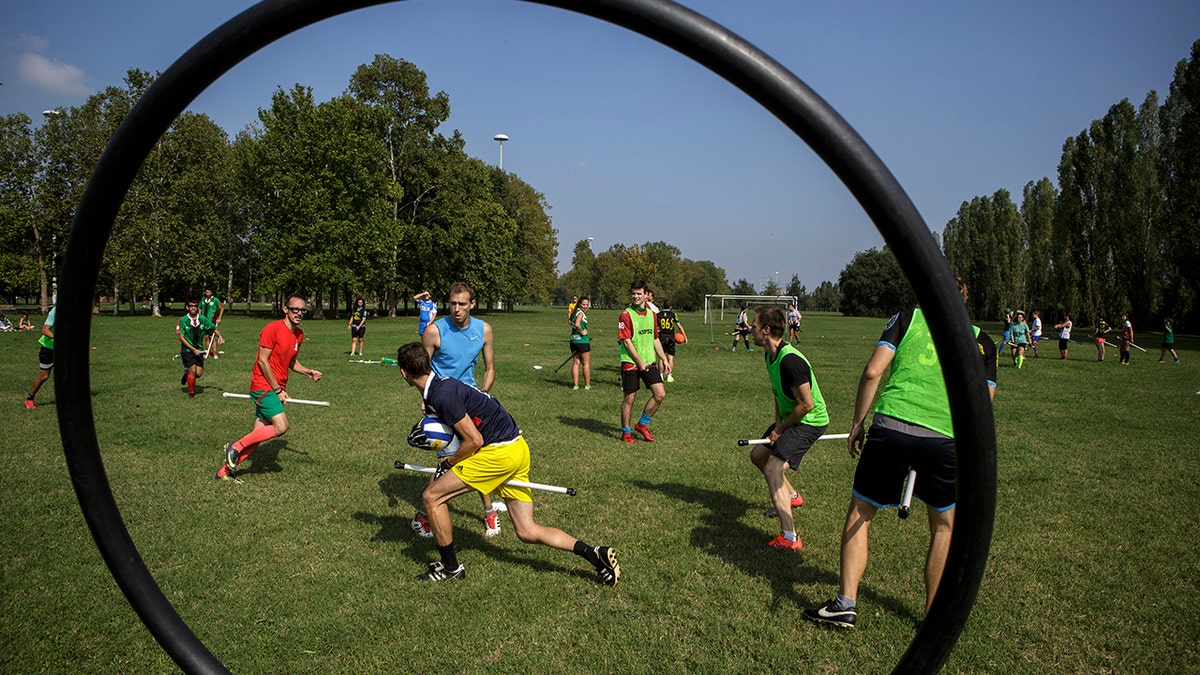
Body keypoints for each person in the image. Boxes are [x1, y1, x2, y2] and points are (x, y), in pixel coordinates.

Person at [804, 277, 997, 629]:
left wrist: (858, 422)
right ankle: (934, 617)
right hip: (947, 440)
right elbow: (983, 404)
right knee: (943, 526)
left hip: (891, 428)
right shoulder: (982, 341)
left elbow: (873, 371)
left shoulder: (907, 319)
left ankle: (845, 604)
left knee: (861, 511)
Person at [396, 342, 621, 585]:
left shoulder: (441, 395)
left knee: (432, 497)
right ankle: (595, 554)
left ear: (403, 373)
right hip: (517, 448)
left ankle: (450, 568)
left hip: (498, 453)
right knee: (527, 531)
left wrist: (449, 462)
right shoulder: (441, 386)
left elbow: (474, 440)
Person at [417, 282, 499, 536]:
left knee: (479, 453)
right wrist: (425, 397)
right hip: (442, 404)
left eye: (462, 304)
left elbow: (490, 368)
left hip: (471, 401)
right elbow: (422, 370)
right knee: (449, 460)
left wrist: (483, 396)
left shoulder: (483, 330)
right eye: (453, 303)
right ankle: (424, 517)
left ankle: (489, 513)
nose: (457, 309)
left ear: (472, 304)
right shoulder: (434, 331)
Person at [216, 294, 322, 481]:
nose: (299, 313)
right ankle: (235, 446)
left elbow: (292, 362)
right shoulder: (271, 329)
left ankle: (224, 472)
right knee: (281, 426)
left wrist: (308, 372)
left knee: (257, 436)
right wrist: (278, 390)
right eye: (294, 309)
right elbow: (262, 361)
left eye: (302, 310)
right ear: (285, 309)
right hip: (263, 385)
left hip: (274, 386)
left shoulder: (298, 334)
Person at [748, 306, 829, 551]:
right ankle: (792, 497)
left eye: (754, 326)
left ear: (766, 330)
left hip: (809, 421)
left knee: (773, 468)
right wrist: (776, 425)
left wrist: (781, 429)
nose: (750, 329)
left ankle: (790, 537)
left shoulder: (791, 361)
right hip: (790, 418)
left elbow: (806, 404)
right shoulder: (768, 355)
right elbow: (778, 394)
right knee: (758, 456)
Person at [618, 279, 669, 444]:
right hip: (630, 362)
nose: (635, 296)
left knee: (660, 394)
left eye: (639, 293)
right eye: (633, 293)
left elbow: (655, 338)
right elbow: (626, 341)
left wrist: (664, 359)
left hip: (649, 361)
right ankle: (626, 432)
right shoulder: (626, 314)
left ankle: (642, 424)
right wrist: (639, 362)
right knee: (630, 398)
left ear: (646, 295)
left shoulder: (652, 315)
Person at [177, 300, 217, 398]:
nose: (193, 308)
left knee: (198, 374)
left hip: (199, 349)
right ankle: (191, 392)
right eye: (191, 306)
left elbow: (212, 328)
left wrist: (220, 336)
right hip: (187, 349)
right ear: (187, 308)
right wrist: (192, 349)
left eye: (195, 306)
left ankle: (187, 374)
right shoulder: (183, 320)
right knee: (193, 371)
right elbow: (181, 337)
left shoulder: (202, 319)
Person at [25, 306, 56, 409]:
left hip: (63, 349)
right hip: (48, 349)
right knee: (44, 376)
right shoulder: (55, 311)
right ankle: (29, 399)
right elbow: (45, 330)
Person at [656, 299, 684, 383]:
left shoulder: (658, 315)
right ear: (670, 307)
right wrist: (684, 336)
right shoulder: (673, 315)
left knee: (661, 357)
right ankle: (669, 376)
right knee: (670, 357)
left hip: (662, 336)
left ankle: (660, 375)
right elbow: (679, 326)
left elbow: (655, 326)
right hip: (671, 336)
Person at [569, 296, 591, 390]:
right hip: (582, 341)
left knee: (576, 363)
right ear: (579, 304)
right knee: (585, 363)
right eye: (583, 304)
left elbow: (571, 322)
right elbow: (578, 324)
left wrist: (584, 310)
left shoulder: (575, 312)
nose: (586, 306)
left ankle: (576, 385)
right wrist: (582, 332)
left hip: (573, 340)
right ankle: (587, 385)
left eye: (587, 304)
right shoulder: (580, 314)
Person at [199, 288, 225, 359]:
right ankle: (207, 352)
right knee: (206, 337)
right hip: (204, 320)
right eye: (207, 292)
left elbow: (222, 308)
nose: (208, 294)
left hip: (211, 320)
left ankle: (214, 353)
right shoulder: (203, 300)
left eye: (209, 292)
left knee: (212, 337)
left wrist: (219, 318)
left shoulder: (215, 300)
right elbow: (200, 308)